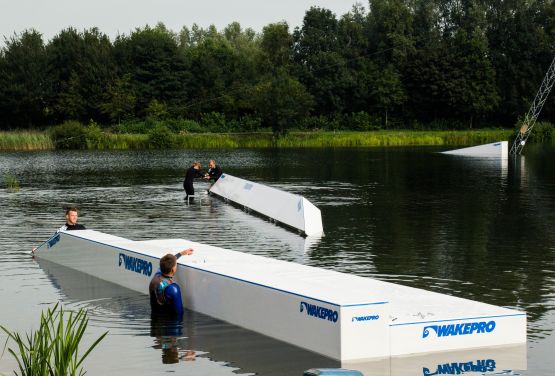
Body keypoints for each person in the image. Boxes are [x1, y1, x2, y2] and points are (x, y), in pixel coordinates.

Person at [149, 248, 194, 317]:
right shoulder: (173, 288)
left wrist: (181, 253)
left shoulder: (156, 277)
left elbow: (166, 263)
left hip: (154, 322)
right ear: (173, 269)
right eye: (175, 264)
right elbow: (179, 313)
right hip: (168, 324)